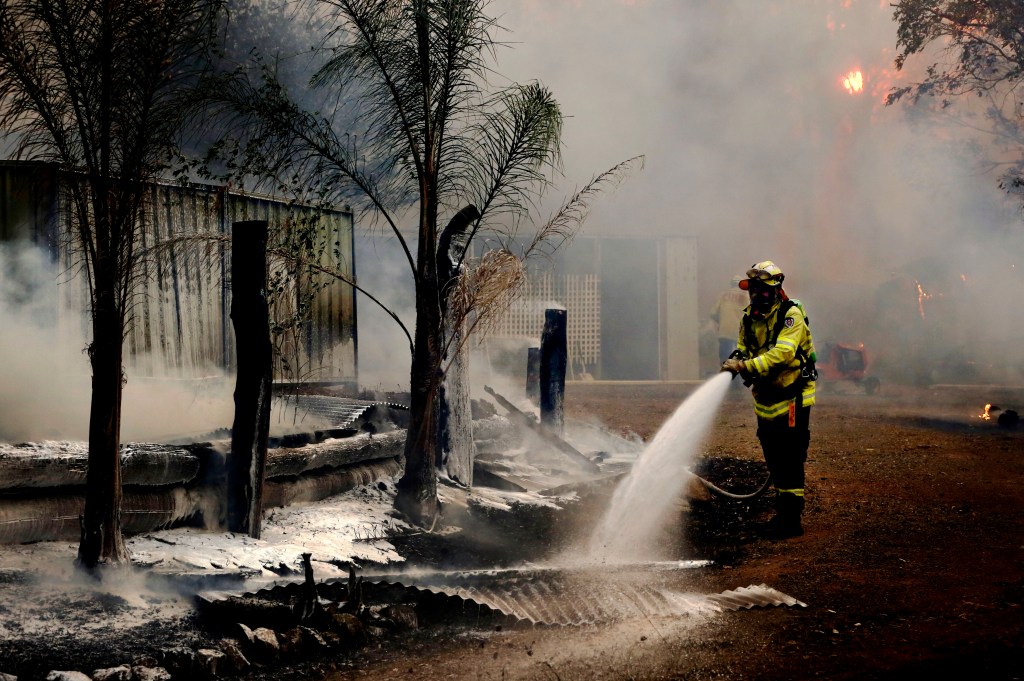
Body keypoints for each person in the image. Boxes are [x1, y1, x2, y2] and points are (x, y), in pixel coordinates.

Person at [721, 260, 816, 539]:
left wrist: (746, 367)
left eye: (763, 291)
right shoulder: (749, 317)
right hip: (765, 395)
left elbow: (784, 354)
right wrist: (734, 361)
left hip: (792, 394)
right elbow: (743, 348)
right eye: (754, 291)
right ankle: (782, 515)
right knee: (773, 454)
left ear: (776, 290)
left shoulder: (791, 314)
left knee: (790, 455)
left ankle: (791, 519)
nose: (757, 296)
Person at [709, 274, 749, 363]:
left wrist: (720, 321)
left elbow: (713, 313)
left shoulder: (723, 295)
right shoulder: (746, 296)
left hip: (725, 331)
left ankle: (725, 372)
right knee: (740, 360)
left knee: (724, 359)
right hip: (739, 334)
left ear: (731, 284)